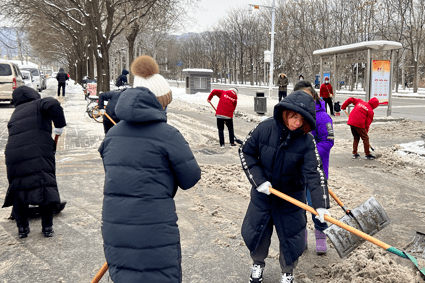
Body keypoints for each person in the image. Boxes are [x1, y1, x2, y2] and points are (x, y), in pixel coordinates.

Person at [99, 55, 201, 283]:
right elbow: (190, 178)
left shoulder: (112, 135)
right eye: (165, 103)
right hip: (154, 226)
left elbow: (114, 173)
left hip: (116, 225)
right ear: (157, 102)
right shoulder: (168, 135)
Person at [239, 90, 331, 283]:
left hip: (291, 199)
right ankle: (257, 264)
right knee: (259, 233)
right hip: (263, 197)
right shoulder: (264, 129)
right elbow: (245, 151)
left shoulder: (306, 141)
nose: (297, 122)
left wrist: (320, 204)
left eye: (302, 119)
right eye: (294, 116)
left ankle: (287, 272)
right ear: (285, 112)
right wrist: (259, 181)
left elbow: (314, 172)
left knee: (291, 239)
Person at [3, 86, 66, 238]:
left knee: (20, 190)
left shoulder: (16, 113)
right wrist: (59, 125)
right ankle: (47, 228)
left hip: (13, 155)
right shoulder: (38, 104)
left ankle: (23, 229)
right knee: (44, 186)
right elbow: (53, 103)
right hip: (37, 152)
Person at [293, 80, 334, 254]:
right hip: (296, 172)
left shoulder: (323, 116)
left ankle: (320, 235)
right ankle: (301, 237)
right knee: (298, 206)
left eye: (307, 96)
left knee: (318, 205)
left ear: (315, 96)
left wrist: (308, 152)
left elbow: (328, 141)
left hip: (316, 172)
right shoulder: (294, 115)